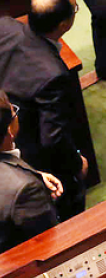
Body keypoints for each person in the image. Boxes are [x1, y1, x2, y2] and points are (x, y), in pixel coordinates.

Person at [0, 0, 88, 220]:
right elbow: (53, 138)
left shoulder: (5, 25)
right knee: (71, 200)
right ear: (64, 25)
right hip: (27, 153)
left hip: (5, 132)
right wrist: (76, 165)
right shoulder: (53, 74)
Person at [0, 90, 62, 252]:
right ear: (9, 131)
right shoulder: (25, 191)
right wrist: (25, 180)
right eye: (14, 111)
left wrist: (32, 173)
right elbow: (47, 245)